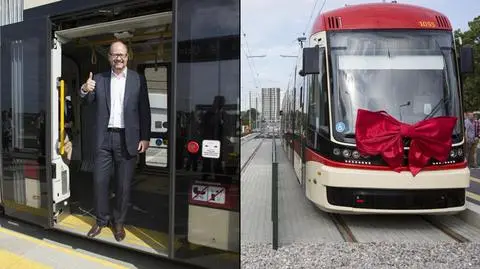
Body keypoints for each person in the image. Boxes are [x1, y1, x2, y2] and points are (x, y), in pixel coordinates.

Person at [80, 40, 151, 242]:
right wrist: (85, 89)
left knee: (123, 186)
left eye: (122, 54)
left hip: (127, 139)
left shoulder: (138, 80)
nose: (118, 58)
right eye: (114, 54)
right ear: (109, 57)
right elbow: (86, 102)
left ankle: (118, 222)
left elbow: (145, 110)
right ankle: (101, 220)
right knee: (99, 182)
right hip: (104, 139)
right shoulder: (99, 79)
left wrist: (145, 137)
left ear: (127, 57)